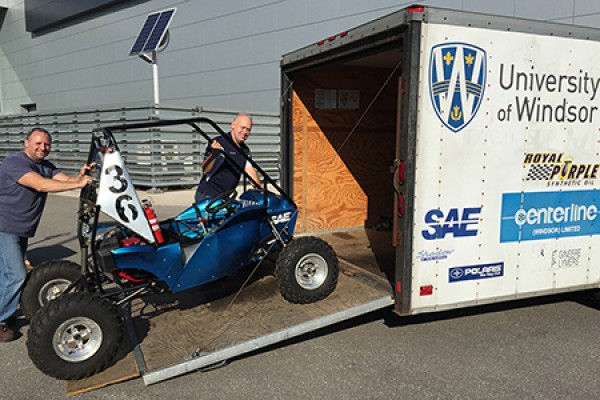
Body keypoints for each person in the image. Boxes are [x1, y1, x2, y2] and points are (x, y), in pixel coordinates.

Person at [0, 127, 93, 341]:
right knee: (16, 274)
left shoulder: (45, 165)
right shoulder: (14, 163)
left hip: (19, 229)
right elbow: (40, 185)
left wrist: (80, 176)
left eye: (47, 144)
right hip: (4, 227)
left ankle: (6, 312)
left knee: (6, 275)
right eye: (38, 143)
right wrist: (78, 182)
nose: (43, 147)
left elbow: (64, 180)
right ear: (26, 143)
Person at [194, 113, 262, 202]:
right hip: (208, 195)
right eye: (242, 128)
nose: (245, 132)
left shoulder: (245, 150)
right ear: (233, 125)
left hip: (225, 198)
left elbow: (250, 172)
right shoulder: (219, 142)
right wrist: (214, 155)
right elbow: (206, 170)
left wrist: (261, 189)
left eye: (248, 129)